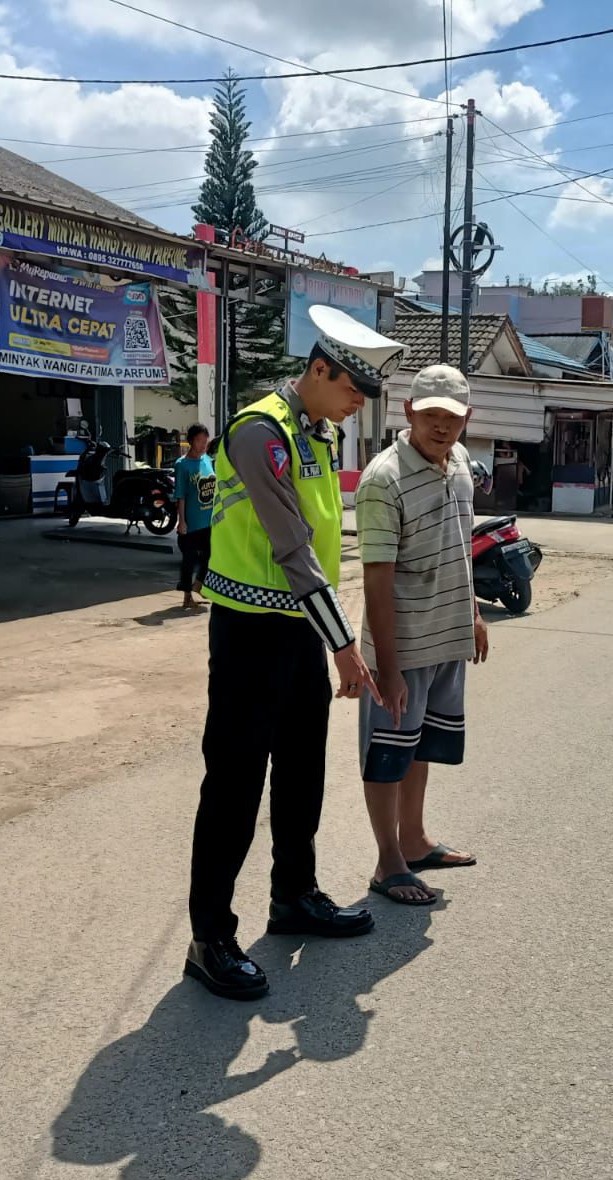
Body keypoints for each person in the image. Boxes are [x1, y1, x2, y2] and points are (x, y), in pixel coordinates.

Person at [184, 305, 404, 1002]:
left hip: (300, 633)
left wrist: (328, 636)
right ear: (318, 369)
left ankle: (294, 895)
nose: (354, 407)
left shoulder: (317, 433)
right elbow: (291, 549)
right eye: (349, 391)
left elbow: (326, 538)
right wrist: (346, 644)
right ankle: (209, 936)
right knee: (235, 785)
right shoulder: (259, 432)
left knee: (303, 771)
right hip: (249, 633)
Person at [353, 364, 488, 905]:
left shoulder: (458, 464)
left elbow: (462, 546)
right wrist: (386, 667)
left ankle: (414, 840)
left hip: (448, 635)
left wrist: (473, 613)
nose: (441, 426)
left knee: (420, 746)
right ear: (407, 411)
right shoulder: (382, 480)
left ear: (466, 419)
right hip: (402, 645)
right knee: (387, 752)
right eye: (430, 414)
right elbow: (376, 578)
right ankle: (388, 862)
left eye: (451, 417)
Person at [173, 424, 216, 607]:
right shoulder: (182, 465)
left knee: (211, 555)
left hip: (209, 520)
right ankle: (187, 596)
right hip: (191, 522)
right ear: (190, 441)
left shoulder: (207, 460)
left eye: (205, 441)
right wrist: (181, 521)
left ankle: (199, 584)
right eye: (199, 441)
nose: (202, 445)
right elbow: (180, 495)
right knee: (188, 560)